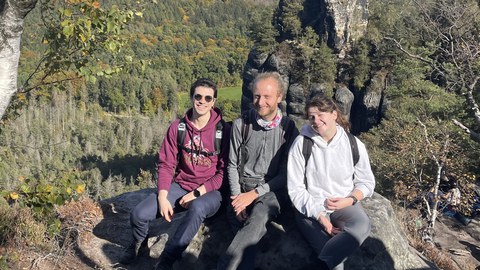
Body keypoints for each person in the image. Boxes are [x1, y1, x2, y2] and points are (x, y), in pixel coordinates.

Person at [120, 78, 229, 270]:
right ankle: (139, 243)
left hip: (210, 192)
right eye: (198, 96)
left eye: (207, 98)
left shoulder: (223, 131)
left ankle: (167, 259)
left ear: (214, 102)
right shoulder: (177, 128)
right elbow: (166, 164)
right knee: (138, 214)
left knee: (198, 208)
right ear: (191, 97)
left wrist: (196, 194)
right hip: (180, 186)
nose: (202, 101)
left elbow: (222, 174)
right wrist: (163, 196)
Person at [217, 72, 299, 270]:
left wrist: (253, 195)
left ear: (279, 97)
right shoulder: (241, 125)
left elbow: (286, 174)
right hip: (242, 187)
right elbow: (232, 165)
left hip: (271, 191)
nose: (260, 102)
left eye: (267, 97)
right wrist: (237, 199)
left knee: (260, 214)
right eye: (256, 96)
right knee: (246, 229)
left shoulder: (288, 129)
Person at [287, 95, 375, 270]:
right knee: (337, 264)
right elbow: (296, 189)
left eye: (321, 115)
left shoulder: (353, 144)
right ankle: (331, 260)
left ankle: (325, 260)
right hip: (310, 209)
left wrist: (349, 200)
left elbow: (366, 182)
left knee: (363, 225)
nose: (316, 120)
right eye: (311, 116)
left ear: (334, 114)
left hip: (344, 205)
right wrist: (320, 216)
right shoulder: (301, 144)